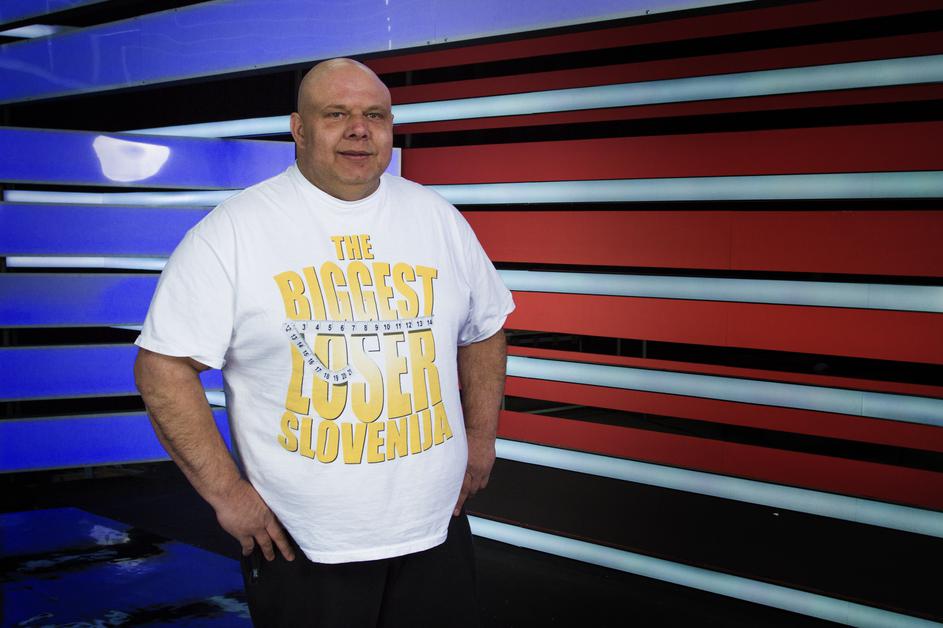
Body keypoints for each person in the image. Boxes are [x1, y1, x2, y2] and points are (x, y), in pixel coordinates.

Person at [134, 58, 514, 627]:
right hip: (301, 541)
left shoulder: (437, 217)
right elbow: (162, 367)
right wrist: (227, 494)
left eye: (375, 115)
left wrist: (481, 441)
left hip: (436, 525)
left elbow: (484, 329)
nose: (359, 130)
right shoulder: (233, 231)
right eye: (336, 114)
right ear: (299, 129)